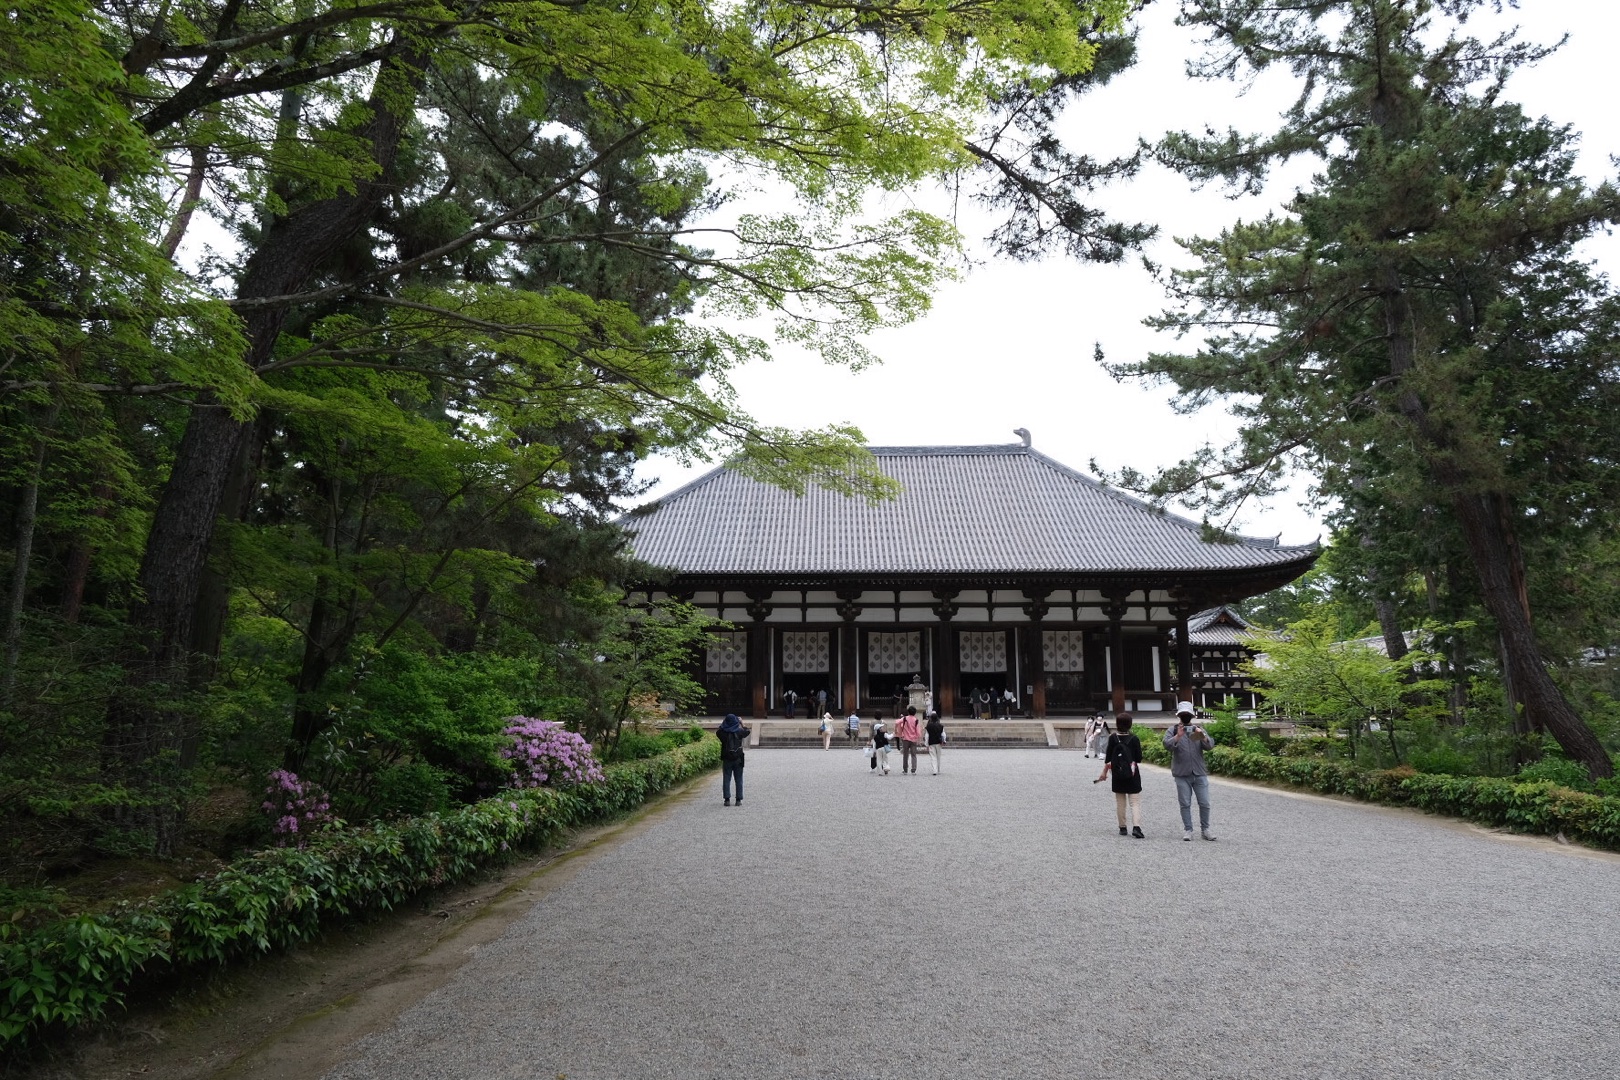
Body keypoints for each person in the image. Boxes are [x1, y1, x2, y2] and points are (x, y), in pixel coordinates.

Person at [1164, 702, 1216, 841]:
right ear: (1179, 716)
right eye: (1183, 714)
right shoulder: (1173, 730)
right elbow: (1166, 745)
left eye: (1187, 714)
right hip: (1181, 773)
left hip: (1199, 772)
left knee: (1204, 802)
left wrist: (1202, 736)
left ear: (1192, 716)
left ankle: (1205, 829)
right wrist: (1178, 736)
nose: (1185, 716)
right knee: (1185, 803)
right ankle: (1188, 829)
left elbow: (1210, 746)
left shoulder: (1198, 729)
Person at [1096, 713, 1144, 838]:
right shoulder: (1134, 738)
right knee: (1134, 802)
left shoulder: (1113, 738)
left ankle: (1122, 827)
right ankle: (1136, 827)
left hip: (1117, 773)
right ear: (1130, 724)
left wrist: (1104, 772)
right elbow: (1139, 758)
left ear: (1117, 724)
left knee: (1120, 802)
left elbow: (1108, 758)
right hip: (1132, 773)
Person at [717, 713, 750, 807]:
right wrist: (742, 723)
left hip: (727, 757)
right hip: (738, 758)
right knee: (739, 779)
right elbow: (747, 731)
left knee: (726, 778)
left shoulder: (722, 733)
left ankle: (727, 799)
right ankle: (738, 800)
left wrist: (724, 722)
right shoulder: (740, 731)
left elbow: (718, 731)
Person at [895, 707, 921, 774]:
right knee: (914, 755)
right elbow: (918, 732)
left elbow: (897, 722)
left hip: (905, 739)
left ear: (908, 712)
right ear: (915, 713)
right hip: (913, 739)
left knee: (905, 755)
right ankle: (913, 769)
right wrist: (919, 739)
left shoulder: (905, 718)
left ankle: (905, 769)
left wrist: (898, 730)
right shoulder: (916, 720)